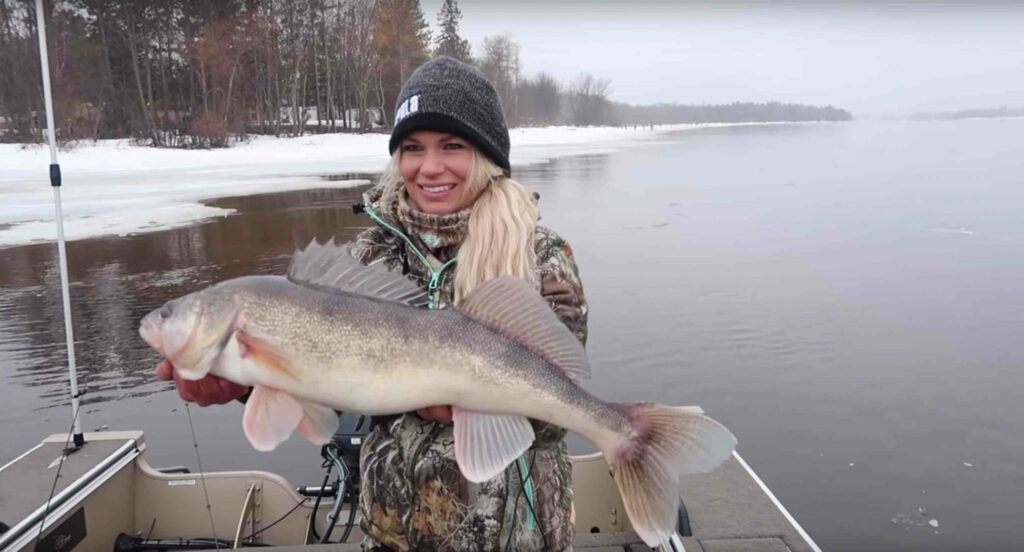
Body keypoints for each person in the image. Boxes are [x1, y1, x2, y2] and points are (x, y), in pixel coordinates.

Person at [156, 56, 588, 552]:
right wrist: (246, 384)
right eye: (412, 148)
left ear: (486, 153)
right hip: (392, 536)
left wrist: (471, 391)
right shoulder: (367, 259)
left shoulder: (540, 256)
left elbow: (561, 402)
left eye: (452, 146)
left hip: (516, 538)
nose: (430, 167)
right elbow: (337, 388)